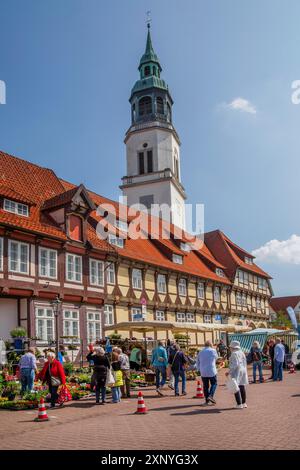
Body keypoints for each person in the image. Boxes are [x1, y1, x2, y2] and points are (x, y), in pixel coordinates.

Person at [226, 340, 249, 409]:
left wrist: (229, 371)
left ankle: (239, 404)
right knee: (242, 386)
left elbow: (235, 364)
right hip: (243, 370)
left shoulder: (234, 353)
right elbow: (245, 362)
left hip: (237, 371)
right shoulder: (242, 352)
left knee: (235, 387)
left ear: (233, 347)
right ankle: (244, 403)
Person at [196, 340, 218, 405]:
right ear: (211, 344)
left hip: (203, 371)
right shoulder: (213, 350)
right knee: (214, 383)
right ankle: (210, 396)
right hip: (211, 370)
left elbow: (197, 361)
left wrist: (198, 369)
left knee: (205, 386)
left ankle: (207, 401)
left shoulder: (201, 351)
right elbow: (216, 358)